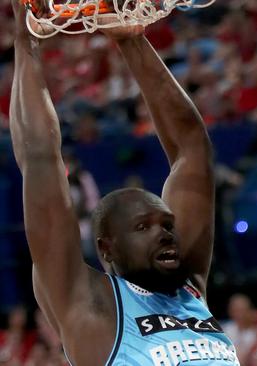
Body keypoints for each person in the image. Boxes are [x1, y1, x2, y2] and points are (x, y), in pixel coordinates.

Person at [9, 4, 239, 366]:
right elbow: (39, 158)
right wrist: (26, 44)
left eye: (166, 224)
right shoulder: (88, 306)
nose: (165, 233)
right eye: (143, 227)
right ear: (107, 249)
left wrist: (130, 39)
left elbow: (192, 148)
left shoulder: (189, 288)